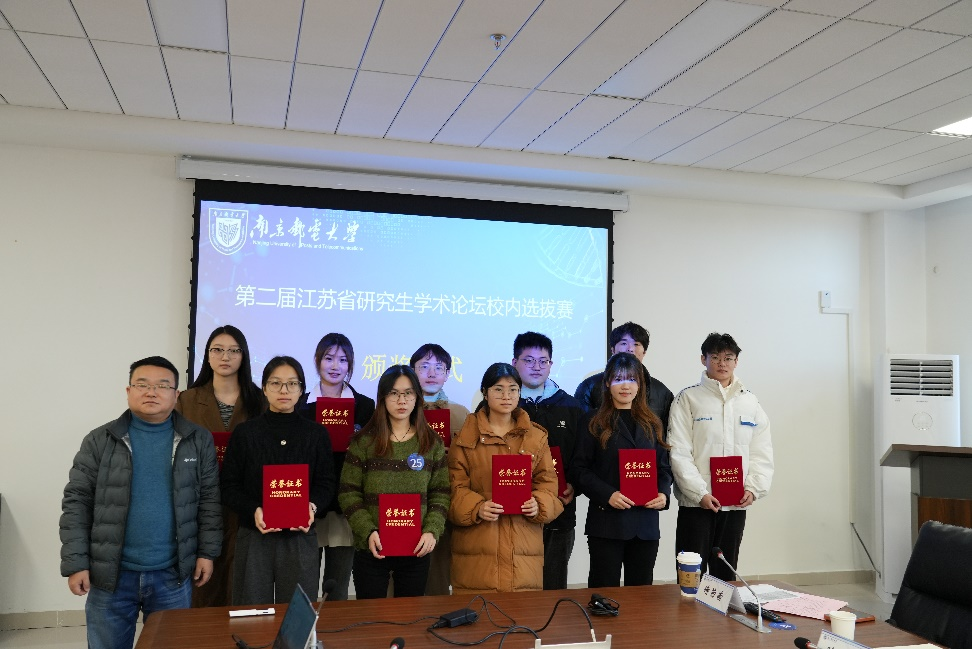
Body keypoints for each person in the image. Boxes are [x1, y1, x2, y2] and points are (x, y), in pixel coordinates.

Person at [60, 356, 221, 649]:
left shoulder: (197, 439)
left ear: (176, 394)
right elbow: (76, 503)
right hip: (110, 575)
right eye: (142, 385)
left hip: (172, 573)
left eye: (162, 386)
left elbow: (209, 500)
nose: (151, 392)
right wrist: (76, 563)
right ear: (128, 391)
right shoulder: (100, 440)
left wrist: (206, 553)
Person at [221, 356, 335, 604]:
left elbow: (326, 484)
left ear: (301, 389)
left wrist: (312, 507)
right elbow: (229, 486)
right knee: (251, 613)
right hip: (254, 535)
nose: (284, 390)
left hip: (299, 537)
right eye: (276, 383)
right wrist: (254, 510)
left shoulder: (316, 434)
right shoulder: (245, 433)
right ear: (264, 388)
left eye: (292, 383)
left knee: (296, 613)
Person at [448, 363, 563, 594]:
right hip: (478, 547)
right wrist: (477, 507)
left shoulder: (536, 437)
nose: (506, 396)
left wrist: (538, 504)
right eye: (498, 389)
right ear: (485, 392)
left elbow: (549, 486)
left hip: (523, 547)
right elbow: (452, 489)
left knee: (521, 614)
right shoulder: (465, 438)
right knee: (477, 613)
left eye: (513, 390)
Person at [669, 333, 773, 581]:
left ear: (736, 362)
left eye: (728, 358)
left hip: (735, 502)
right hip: (697, 503)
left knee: (726, 572)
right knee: (691, 572)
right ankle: (689, 608)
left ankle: (723, 608)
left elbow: (761, 450)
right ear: (703, 359)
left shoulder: (750, 401)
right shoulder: (688, 398)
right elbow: (678, 450)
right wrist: (699, 493)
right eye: (715, 357)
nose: (722, 363)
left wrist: (754, 488)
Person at [339, 365, 450, 598]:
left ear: (417, 397)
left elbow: (440, 493)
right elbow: (348, 493)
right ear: (382, 397)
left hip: (416, 549)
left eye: (408, 393)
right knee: (371, 617)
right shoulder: (363, 442)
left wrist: (432, 531)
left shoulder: (432, 443)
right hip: (372, 548)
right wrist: (367, 531)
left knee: (409, 617)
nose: (402, 400)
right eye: (394, 393)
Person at [176, 325, 266, 607]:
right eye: (217, 350)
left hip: (245, 503)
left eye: (233, 350)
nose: (225, 356)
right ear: (207, 355)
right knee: (203, 584)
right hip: (199, 501)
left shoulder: (259, 401)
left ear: (244, 355)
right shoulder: (186, 400)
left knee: (241, 581)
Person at [573, 353, 673, 588]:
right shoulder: (592, 421)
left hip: (645, 525)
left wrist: (663, 494)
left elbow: (664, 468)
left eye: (632, 379)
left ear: (640, 384)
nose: (625, 386)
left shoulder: (653, 423)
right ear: (607, 382)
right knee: (603, 593)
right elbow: (578, 469)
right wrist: (607, 494)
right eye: (618, 379)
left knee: (641, 596)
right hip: (607, 523)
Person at [300, 333, 376, 600]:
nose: (335, 366)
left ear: (350, 364)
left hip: (347, 505)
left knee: (338, 587)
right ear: (317, 361)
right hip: (309, 505)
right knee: (304, 585)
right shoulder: (300, 405)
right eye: (328, 358)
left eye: (343, 360)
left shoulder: (365, 406)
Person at [511, 331, 587, 590]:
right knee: (515, 587)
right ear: (514, 363)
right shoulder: (502, 404)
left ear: (551, 364)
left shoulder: (572, 407)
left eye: (543, 361)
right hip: (512, 514)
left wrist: (574, 486)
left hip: (559, 511)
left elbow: (582, 456)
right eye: (529, 360)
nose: (537, 367)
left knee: (553, 586)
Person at [409, 342, 469, 595]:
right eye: (424, 367)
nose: (431, 373)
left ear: (447, 373)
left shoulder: (461, 414)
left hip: (444, 500)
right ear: (412, 371)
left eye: (439, 368)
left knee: (439, 573)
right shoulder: (400, 410)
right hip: (406, 500)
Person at [574, 322, 674, 431]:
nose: (630, 349)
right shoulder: (589, 386)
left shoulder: (662, 392)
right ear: (613, 349)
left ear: (644, 352)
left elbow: (665, 433)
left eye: (636, 344)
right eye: (624, 343)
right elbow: (581, 428)